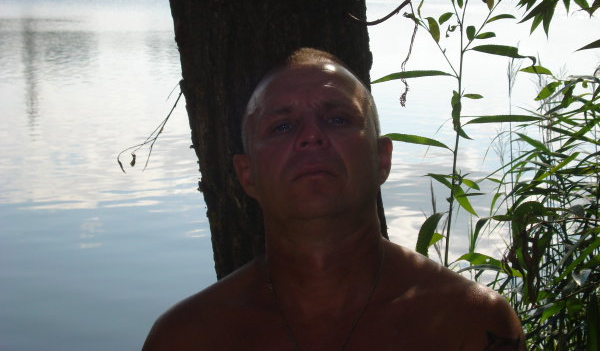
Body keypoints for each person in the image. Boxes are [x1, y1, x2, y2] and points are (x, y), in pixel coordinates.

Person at [142, 48, 524, 350]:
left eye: (338, 119)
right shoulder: (186, 337)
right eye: (282, 125)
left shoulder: (470, 321)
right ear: (247, 174)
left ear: (382, 159)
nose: (311, 136)